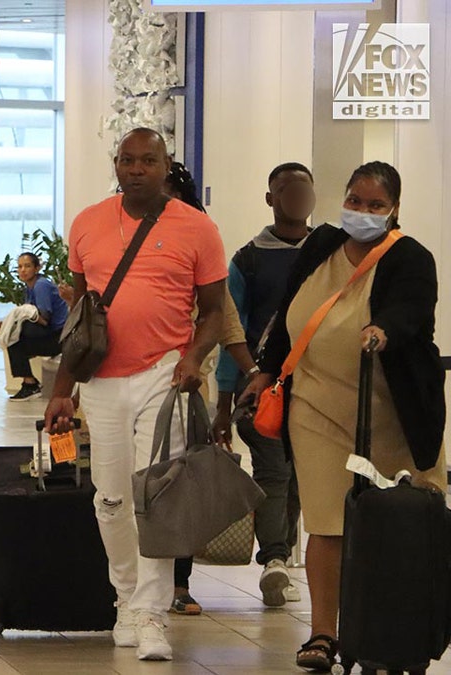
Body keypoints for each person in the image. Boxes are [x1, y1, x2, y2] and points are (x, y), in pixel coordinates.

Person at [243, 161, 446, 671]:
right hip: (314, 405)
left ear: (394, 209)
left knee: (395, 523)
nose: (362, 212)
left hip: (391, 412)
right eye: (355, 200)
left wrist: (382, 330)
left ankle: (390, 628)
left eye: (375, 205)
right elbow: (291, 313)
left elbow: (412, 309)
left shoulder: (410, 257)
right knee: (327, 521)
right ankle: (323, 635)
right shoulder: (321, 245)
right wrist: (266, 372)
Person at [44, 129, 229, 660]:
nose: (136, 169)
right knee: (110, 498)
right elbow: (80, 317)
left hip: (163, 374)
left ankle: (152, 614)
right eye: (127, 160)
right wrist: (63, 390)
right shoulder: (87, 222)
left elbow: (215, 310)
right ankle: (125, 600)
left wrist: (192, 359)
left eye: (148, 160)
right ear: (117, 165)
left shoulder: (197, 228)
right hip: (101, 380)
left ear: (165, 165)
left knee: (156, 497)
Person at [214, 163, 315, 610]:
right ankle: (275, 559)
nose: (296, 196)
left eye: (303, 188)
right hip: (261, 389)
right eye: (285, 189)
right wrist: (222, 402)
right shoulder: (248, 259)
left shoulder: (330, 251)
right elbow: (229, 329)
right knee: (274, 470)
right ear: (270, 199)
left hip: (315, 387)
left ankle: (281, 554)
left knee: (299, 477)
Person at [162, 162, 259, 617]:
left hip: (185, 384)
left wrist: (253, 376)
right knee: (127, 485)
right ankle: (132, 580)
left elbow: (226, 317)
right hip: (124, 380)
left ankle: (178, 583)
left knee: (183, 482)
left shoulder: (202, 241)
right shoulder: (120, 234)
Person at [6, 252, 69, 401]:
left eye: (27, 266)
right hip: (50, 334)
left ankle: (30, 384)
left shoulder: (41, 286)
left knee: (17, 336)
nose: (23, 270)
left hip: (59, 337)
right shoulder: (29, 287)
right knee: (13, 337)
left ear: (37, 268)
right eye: (20, 266)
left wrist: (25, 316)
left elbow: (44, 319)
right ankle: (29, 383)